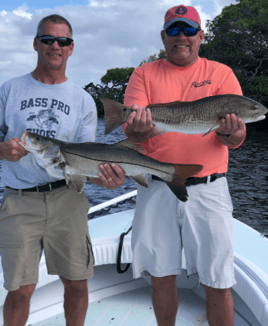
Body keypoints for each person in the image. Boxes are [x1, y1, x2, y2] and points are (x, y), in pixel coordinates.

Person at [123, 5, 246, 326]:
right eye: (174, 30)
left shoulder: (221, 74)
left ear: (201, 36)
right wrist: (136, 125)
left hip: (209, 190)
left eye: (189, 30)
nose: (182, 37)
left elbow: (235, 139)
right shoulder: (144, 74)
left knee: (217, 279)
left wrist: (231, 127)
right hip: (157, 187)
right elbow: (132, 132)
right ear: (164, 37)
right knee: (161, 275)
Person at [0, 14, 125, 326]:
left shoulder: (83, 100)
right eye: (48, 39)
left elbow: (85, 159)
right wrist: (2, 149)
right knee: (20, 289)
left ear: (71, 48)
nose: (55, 46)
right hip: (19, 201)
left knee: (77, 282)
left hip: (68, 198)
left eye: (62, 41)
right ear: (35, 44)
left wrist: (108, 179)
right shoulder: (9, 90)